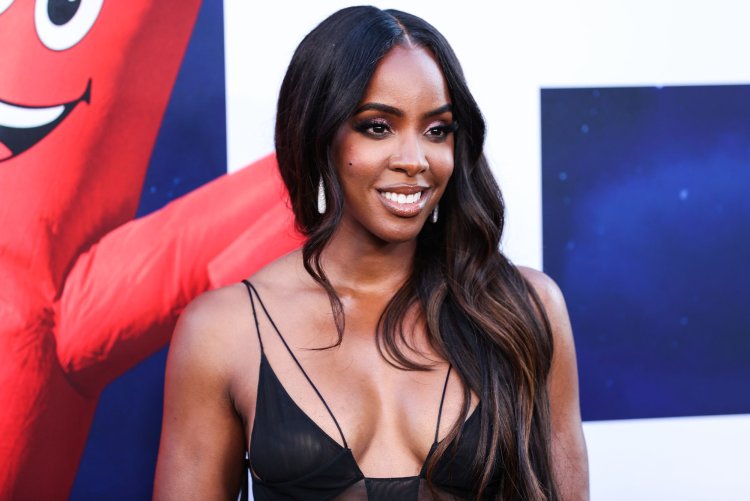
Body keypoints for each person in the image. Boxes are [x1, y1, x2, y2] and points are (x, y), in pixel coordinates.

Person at [154, 6, 588, 500]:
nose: (414, 160)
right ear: (319, 135)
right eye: (378, 127)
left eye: (437, 130)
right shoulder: (223, 331)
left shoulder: (525, 309)